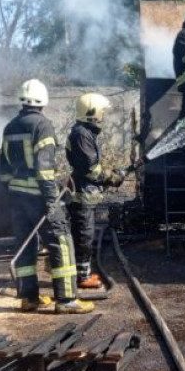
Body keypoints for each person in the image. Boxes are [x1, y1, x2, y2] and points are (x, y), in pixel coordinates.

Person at [0, 79, 94, 314]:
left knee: (25, 245)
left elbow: (3, 167)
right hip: (40, 197)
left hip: (17, 197)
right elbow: (44, 170)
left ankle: (28, 298)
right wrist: (51, 200)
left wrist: (13, 190)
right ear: (43, 101)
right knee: (61, 242)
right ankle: (67, 300)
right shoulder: (42, 126)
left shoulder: (10, 127)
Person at [66, 93, 125, 289]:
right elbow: (91, 169)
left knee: (84, 234)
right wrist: (111, 177)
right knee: (84, 235)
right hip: (82, 195)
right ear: (92, 112)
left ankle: (82, 273)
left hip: (85, 191)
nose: (103, 115)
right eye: (101, 111)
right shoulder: (82, 134)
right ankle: (83, 277)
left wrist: (110, 175)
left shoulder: (83, 133)